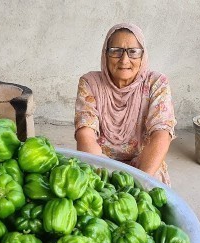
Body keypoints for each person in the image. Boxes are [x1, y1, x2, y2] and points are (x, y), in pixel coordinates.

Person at [74, 23, 177, 186]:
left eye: (133, 52)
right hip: (101, 162)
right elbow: (85, 134)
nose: (124, 60)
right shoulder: (90, 83)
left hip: (144, 164)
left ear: (143, 55)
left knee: (152, 194)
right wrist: (105, 181)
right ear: (105, 54)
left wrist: (139, 183)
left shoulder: (156, 83)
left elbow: (161, 134)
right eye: (116, 51)